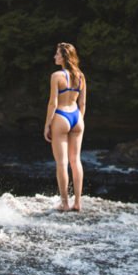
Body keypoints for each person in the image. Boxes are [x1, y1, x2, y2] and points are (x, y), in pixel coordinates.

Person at [43, 42, 86, 212]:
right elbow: (82, 103)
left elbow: (53, 103)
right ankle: (78, 203)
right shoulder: (81, 76)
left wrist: (47, 124)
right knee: (76, 161)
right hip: (76, 117)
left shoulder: (56, 76)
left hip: (61, 116)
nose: (55, 57)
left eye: (57, 54)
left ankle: (65, 203)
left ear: (64, 57)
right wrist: (79, 122)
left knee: (62, 163)